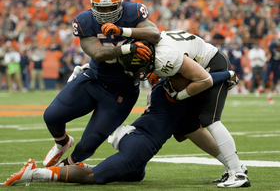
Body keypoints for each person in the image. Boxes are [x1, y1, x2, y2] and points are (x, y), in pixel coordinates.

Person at [4, 55, 244, 187]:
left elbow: (190, 125)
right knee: (94, 177)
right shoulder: (171, 86)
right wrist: (227, 74)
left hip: (135, 135)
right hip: (140, 143)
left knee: (136, 174)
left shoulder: (161, 87)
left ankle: (72, 163)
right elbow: (203, 80)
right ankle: (35, 174)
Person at [63, 32, 250, 188]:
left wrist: (227, 75)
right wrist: (90, 67)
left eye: (154, 75)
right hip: (201, 66)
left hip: (210, 66)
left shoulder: (166, 60)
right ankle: (232, 165)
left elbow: (204, 78)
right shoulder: (152, 49)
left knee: (210, 119)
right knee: (188, 128)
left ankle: (239, 173)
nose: (152, 78)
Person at [42, 0, 160, 169]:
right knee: (51, 116)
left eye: (111, 7)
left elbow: (155, 34)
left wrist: (123, 31)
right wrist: (129, 47)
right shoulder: (85, 20)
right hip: (94, 79)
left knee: (89, 144)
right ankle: (62, 142)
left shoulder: (134, 11)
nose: (106, 13)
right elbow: (97, 53)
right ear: (92, 6)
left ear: (120, 4)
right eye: (100, 8)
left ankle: (63, 169)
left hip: (122, 91)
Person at [258, 33, 280, 104]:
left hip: (278, 65)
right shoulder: (273, 45)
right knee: (265, 78)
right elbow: (268, 51)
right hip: (271, 63)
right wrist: (265, 58)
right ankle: (261, 88)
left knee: (275, 81)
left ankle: (270, 95)